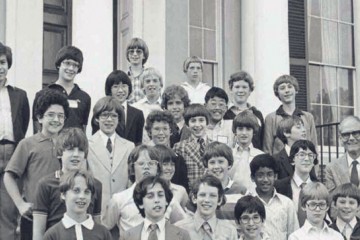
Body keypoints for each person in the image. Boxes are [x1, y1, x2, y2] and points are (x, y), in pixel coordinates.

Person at [4, 89, 69, 239]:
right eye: (51, 115)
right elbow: (9, 176)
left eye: (60, 116)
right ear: (39, 118)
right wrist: (20, 204)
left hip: (61, 215)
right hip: (34, 215)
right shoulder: (27, 144)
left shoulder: (68, 145)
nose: (56, 119)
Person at [33, 128, 102, 240]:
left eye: (80, 150)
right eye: (70, 150)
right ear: (59, 153)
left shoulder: (95, 184)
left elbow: (97, 226)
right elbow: (38, 233)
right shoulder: (45, 184)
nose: (76, 154)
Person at [103, 145, 185, 237]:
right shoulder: (119, 199)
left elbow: (183, 224)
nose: (146, 167)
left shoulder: (167, 198)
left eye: (151, 163)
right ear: (132, 168)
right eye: (141, 163)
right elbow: (105, 228)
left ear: (157, 168)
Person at [0, 42, 30, 239]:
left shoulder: (19, 95)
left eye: (2, 62)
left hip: (12, 153)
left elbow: (24, 123)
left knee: (9, 209)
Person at [87, 96, 134, 217]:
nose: (109, 120)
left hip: (122, 212)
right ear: (97, 118)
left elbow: (131, 181)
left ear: (119, 119)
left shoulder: (129, 146)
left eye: (114, 116)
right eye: (105, 115)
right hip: (96, 211)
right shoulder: (87, 144)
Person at [33, 45, 91, 133]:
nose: (71, 68)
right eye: (67, 63)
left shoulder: (85, 97)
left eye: (75, 65)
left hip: (74, 146)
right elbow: (37, 131)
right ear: (59, 64)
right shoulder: (42, 94)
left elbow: (83, 131)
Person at [43, 170, 111, 240]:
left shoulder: (103, 233)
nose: (82, 196)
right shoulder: (53, 235)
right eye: (76, 191)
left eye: (87, 192)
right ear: (63, 194)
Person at [121, 176, 191, 240]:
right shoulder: (128, 236)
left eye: (160, 195)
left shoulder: (182, 235)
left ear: (166, 201)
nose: (157, 200)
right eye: (150, 196)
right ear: (141, 203)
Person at [263, 74, 317, 155]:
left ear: (296, 90)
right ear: (277, 93)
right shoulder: (271, 118)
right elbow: (267, 150)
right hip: (279, 166)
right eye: (282, 88)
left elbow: (314, 147)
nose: (286, 90)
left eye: (290, 86)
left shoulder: (308, 117)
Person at [250, 153, 299, 240]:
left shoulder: (287, 204)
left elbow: (294, 235)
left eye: (269, 175)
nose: (265, 180)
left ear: (275, 176)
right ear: (253, 177)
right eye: (260, 175)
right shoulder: (246, 203)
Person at [175, 174, 237, 240]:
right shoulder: (178, 229)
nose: (207, 200)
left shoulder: (229, 231)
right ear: (194, 198)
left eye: (212, 196)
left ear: (219, 200)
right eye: (202, 195)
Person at [92, 70, 145, 145]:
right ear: (109, 89)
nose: (120, 90)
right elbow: (96, 140)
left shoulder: (138, 114)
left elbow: (138, 142)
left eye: (124, 86)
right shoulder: (101, 111)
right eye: (116, 86)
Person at [201, 141, 247, 228]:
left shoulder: (241, 191)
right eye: (212, 162)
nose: (216, 166)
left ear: (229, 164)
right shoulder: (200, 190)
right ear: (206, 166)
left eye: (221, 162)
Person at [274, 140, 319, 226]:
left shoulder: (319, 187)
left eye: (310, 155)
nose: (306, 159)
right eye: (302, 155)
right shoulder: (279, 187)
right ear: (292, 160)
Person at [145, 110, 189, 191]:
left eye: (165, 129)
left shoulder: (178, 159)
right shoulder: (143, 157)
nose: (161, 133)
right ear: (149, 132)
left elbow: (184, 188)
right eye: (157, 129)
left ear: (171, 131)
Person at [224, 71, 264, 150]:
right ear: (231, 89)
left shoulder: (257, 114)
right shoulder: (225, 114)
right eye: (237, 87)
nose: (241, 90)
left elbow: (262, 142)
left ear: (250, 90)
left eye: (244, 87)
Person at [173, 104, 210, 188]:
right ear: (187, 125)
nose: (197, 125)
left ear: (207, 123)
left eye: (201, 120)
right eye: (193, 121)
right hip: (190, 192)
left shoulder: (215, 145)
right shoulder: (179, 147)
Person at [230, 110, 264, 194]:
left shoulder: (260, 155)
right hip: (232, 197)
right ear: (235, 131)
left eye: (248, 129)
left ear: (254, 131)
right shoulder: (229, 153)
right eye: (240, 129)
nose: (244, 133)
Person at [325, 116, 360, 193]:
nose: (351, 138)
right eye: (346, 134)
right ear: (340, 138)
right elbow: (332, 200)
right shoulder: (331, 168)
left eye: (356, 133)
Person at [126, 38, 149, 104]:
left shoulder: (149, 76)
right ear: (128, 55)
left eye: (138, 51)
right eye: (131, 51)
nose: (135, 54)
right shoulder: (124, 76)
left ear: (144, 55)